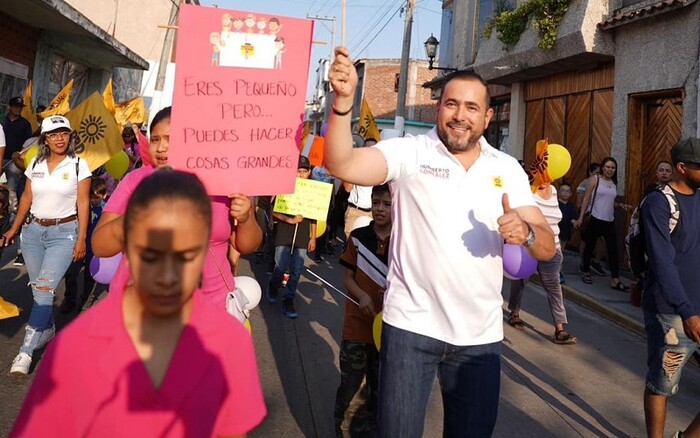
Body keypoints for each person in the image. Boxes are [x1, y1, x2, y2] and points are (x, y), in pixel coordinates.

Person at [325, 47, 555, 437]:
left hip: (480, 339)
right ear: (439, 109)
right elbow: (342, 165)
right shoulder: (409, 153)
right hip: (410, 328)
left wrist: (528, 233)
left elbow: (546, 248)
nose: (460, 115)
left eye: (471, 107)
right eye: (451, 104)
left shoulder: (508, 169)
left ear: (487, 115)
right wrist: (343, 105)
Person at [10, 170, 266, 437]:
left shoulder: (230, 343)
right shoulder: (73, 348)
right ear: (129, 247)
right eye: (152, 249)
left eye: (185, 251)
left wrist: (246, 217)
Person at [92, 107, 262, 309]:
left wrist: (246, 218)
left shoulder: (223, 184)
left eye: (170, 139)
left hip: (209, 307)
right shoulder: (135, 181)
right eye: (155, 139)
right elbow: (100, 246)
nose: (161, 147)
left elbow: (247, 246)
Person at [3, 115, 91, 375]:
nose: (59, 138)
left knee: (44, 289)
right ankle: (48, 328)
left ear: (70, 136)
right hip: (32, 233)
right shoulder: (36, 163)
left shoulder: (79, 165)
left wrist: (82, 238)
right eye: (53, 134)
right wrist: (14, 227)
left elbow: (84, 203)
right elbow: (27, 196)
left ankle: (26, 351)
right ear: (45, 139)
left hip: (63, 234)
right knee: (39, 290)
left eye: (63, 133)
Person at [641, 138, 700, 438]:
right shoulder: (659, 202)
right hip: (672, 313)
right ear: (682, 168)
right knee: (661, 384)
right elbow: (663, 263)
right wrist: (688, 312)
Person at [334, 183, 392, 436]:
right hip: (357, 324)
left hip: (388, 329)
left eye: (387, 204)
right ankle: (343, 428)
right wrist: (362, 295)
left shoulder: (404, 243)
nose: (380, 209)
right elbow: (347, 277)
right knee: (352, 386)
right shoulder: (358, 238)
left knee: (380, 389)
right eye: (376, 202)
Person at [508, 181, 577, 344]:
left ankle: (560, 329)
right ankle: (514, 312)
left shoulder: (553, 191)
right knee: (520, 281)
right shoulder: (527, 190)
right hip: (529, 246)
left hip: (552, 247)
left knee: (554, 287)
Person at [266, 155, 317, 319]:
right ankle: (273, 286)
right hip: (284, 233)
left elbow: (315, 216)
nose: (300, 174)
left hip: (302, 236)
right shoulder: (285, 188)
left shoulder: (313, 192)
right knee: (280, 267)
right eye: (297, 171)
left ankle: (288, 300)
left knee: (296, 270)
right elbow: (274, 211)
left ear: (309, 173)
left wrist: (313, 237)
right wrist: (290, 219)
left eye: (304, 171)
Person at [574, 157, 632, 290]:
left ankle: (615, 280)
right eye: (607, 167)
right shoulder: (595, 180)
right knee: (590, 246)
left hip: (609, 220)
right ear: (602, 167)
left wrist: (620, 205)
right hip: (595, 217)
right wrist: (581, 218)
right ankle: (586, 271)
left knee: (613, 250)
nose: (610, 170)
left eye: (613, 168)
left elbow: (609, 201)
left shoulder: (613, 183)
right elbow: (586, 199)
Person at [60, 177, 108, 313]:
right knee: (71, 274)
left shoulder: (107, 210)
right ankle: (69, 299)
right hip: (79, 245)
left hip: (94, 249)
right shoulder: (82, 206)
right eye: (90, 197)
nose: (92, 200)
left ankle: (86, 298)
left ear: (104, 195)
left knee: (90, 276)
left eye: (95, 197)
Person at [0, 97, 33, 212]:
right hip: (0, 158)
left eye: (20, 107)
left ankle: (12, 212)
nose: (18, 109)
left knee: (12, 189)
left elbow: (29, 144)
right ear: (9, 107)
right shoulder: (2, 122)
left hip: (14, 161)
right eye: (15, 106)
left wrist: (20, 154)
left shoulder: (25, 124)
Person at [343, 138, 377, 238]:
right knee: (350, 243)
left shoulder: (381, 169)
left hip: (372, 213)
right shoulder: (355, 165)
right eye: (368, 149)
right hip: (355, 211)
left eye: (373, 149)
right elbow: (347, 188)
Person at [576, 162, 607, 276]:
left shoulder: (602, 183)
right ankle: (583, 263)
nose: (598, 175)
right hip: (588, 216)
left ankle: (595, 262)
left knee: (601, 240)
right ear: (590, 173)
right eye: (596, 173)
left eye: (600, 173)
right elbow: (579, 203)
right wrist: (583, 215)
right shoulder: (584, 184)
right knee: (585, 240)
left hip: (600, 216)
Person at [558, 182, 576, 283]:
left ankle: (558, 271)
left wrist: (575, 222)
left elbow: (573, 218)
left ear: (571, 194)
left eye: (567, 191)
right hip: (556, 231)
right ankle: (558, 272)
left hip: (565, 231)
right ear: (559, 192)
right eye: (563, 191)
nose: (565, 193)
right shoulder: (556, 204)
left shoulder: (570, 206)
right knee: (558, 252)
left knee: (560, 252)